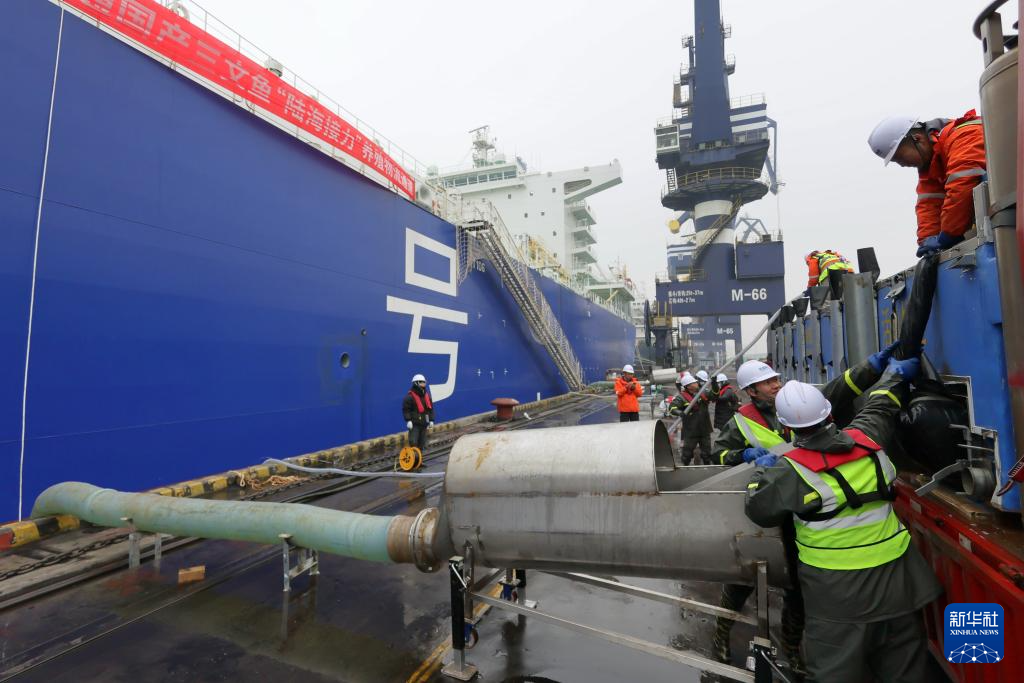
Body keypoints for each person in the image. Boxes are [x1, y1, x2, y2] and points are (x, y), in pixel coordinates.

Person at [744, 360, 941, 683]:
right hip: (898, 582)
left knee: (834, 672)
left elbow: (757, 509)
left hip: (837, 597)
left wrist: (761, 472)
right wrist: (894, 374)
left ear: (788, 428)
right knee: (905, 670)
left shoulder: (788, 472)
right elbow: (880, 406)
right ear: (830, 414)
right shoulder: (868, 438)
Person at [710, 344, 900, 670]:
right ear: (751, 391)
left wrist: (872, 366)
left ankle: (792, 650)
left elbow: (841, 387)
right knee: (742, 579)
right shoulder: (741, 422)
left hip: (802, 510)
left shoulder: (794, 405)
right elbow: (719, 455)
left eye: (776, 379)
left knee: (796, 588)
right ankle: (721, 636)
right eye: (768, 382)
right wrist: (743, 455)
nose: (776, 384)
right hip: (765, 510)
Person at [868, 112, 986, 257]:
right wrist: (927, 241)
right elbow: (929, 204)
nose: (902, 165)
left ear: (917, 139)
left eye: (900, 157)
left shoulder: (965, 135)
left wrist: (947, 236)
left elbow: (961, 187)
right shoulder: (932, 163)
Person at [669, 372, 712, 465]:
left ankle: (707, 467)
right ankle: (684, 468)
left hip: (704, 429)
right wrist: (680, 413)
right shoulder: (681, 397)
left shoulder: (703, 392)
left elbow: (714, 395)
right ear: (688, 386)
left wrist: (715, 385)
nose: (697, 383)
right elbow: (672, 408)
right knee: (687, 454)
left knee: (707, 453)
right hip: (691, 431)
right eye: (694, 383)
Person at [402, 374, 434, 452]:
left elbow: (430, 409)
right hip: (415, 424)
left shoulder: (427, 396)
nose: (424, 384)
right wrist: (408, 420)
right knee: (413, 442)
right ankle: (413, 458)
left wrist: (431, 420)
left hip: (424, 423)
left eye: (424, 382)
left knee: (422, 443)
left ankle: (419, 458)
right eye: (422, 382)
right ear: (416, 383)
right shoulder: (409, 397)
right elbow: (406, 410)